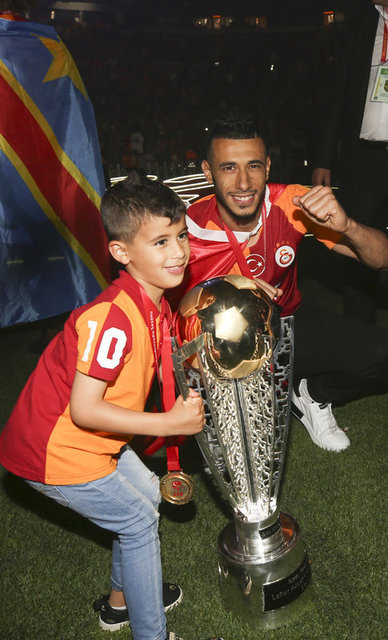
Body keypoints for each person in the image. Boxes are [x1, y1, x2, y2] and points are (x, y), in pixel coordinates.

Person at [0, 175, 221, 640]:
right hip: (55, 450)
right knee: (138, 521)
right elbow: (85, 410)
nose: (178, 251)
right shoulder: (114, 318)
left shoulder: (152, 305)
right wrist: (168, 421)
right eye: (160, 242)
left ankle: (120, 605)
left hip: (93, 442)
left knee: (146, 498)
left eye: (181, 235)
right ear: (121, 252)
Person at [176, 111, 388, 453]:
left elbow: (387, 260)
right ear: (208, 172)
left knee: (382, 354)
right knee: (236, 442)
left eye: (253, 166)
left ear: (268, 167)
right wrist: (230, 285)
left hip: (287, 325)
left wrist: (347, 226)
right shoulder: (188, 227)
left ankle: (310, 395)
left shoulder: (291, 202)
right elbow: (168, 314)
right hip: (226, 343)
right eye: (228, 168)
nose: (243, 183)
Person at [312, 0, 388, 375]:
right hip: (363, 161)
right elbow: (337, 94)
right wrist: (324, 158)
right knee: (357, 252)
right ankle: (358, 343)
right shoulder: (360, 25)